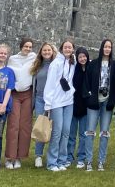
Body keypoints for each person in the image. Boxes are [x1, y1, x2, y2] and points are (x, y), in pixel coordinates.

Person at [43, 38, 77, 171]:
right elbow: (50, 84)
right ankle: (52, 162)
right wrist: (48, 104)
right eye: (66, 47)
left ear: (72, 49)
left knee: (66, 131)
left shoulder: (72, 63)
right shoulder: (55, 63)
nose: (68, 49)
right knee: (57, 132)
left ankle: (62, 160)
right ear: (62, 48)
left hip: (69, 102)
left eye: (70, 47)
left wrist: (72, 91)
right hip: (56, 102)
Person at [5, 37, 37, 169]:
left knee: (25, 126)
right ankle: (9, 157)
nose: (28, 49)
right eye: (26, 46)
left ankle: (19, 157)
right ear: (21, 46)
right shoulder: (13, 59)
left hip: (28, 94)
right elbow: (5, 70)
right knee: (13, 125)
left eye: (30, 47)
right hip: (15, 94)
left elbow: (50, 55)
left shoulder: (34, 57)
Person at [84, 39, 115, 171]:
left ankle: (101, 161)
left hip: (107, 102)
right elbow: (86, 82)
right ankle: (89, 161)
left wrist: (113, 100)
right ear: (102, 48)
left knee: (104, 132)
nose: (107, 49)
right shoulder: (93, 64)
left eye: (109, 47)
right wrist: (90, 97)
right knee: (90, 131)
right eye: (105, 46)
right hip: (94, 102)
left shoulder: (114, 64)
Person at [31, 42, 57, 168]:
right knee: (40, 127)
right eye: (44, 50)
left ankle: (52, 156)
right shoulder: (37, 66)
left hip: (54, 100)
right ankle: (38, 156)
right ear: (41, 52)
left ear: (53, 52)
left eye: (49, 50)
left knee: (54, 128)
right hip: (40, 99)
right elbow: (34, 86)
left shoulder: (56, 65)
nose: (47, 52)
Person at [67, 46, 92, 168]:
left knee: (83, 134)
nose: (82, 59)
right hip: (73, 104)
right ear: (77, 58)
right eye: (80, 57)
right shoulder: (73, 69)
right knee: (71, 134)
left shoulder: (90, 69)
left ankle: (81, 158)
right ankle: (69, 156)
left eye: (84, 56)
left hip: (86, 107)